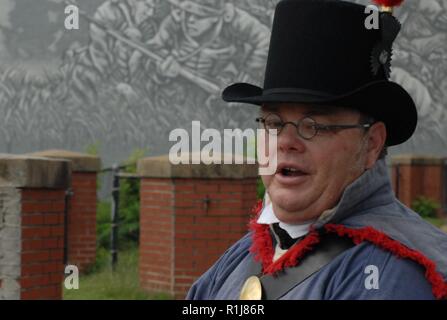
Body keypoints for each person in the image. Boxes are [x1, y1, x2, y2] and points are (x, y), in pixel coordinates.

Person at [187, 0, 447, 300]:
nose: (286, 141)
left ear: (372, 144)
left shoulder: (392, 275)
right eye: (273, 123)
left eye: (314, 125)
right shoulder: (244, 253)